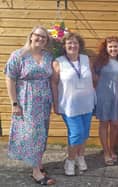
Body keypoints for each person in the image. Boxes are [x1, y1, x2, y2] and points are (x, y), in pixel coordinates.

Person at [4, 26, 55, 185]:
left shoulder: (48, 56)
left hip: (44, 101)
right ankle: (36, 173)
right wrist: (14, 103)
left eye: (44, 37)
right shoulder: (19, 55)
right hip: (27, 100)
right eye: (38, 36)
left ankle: (38, 163)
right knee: (33, 134)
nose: (40, 39)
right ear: (31, 36)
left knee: (42, 133)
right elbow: (10, 79)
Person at [51, 32, 96, 176]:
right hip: (69, 105)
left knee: (84, 133)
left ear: (79, 45)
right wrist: (55, 103)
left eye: (75, 42)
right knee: (76, 133)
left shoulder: (86, 59)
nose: (72, 45)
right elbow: (53, 83)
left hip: (87, 103)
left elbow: (92, 77)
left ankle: (80, 158)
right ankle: (70, 161)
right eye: (69, 43)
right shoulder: (58, 62)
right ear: (64, 46)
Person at [94, 36, 118, 165]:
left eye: (116, 46)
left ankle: (112, 148)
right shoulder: (100, 62)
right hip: (104, 94)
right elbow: (94, 76)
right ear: (106, 48)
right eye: (111, 46)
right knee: (104, 123)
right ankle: (106, 151)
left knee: (115, 123)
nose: (113, 49)